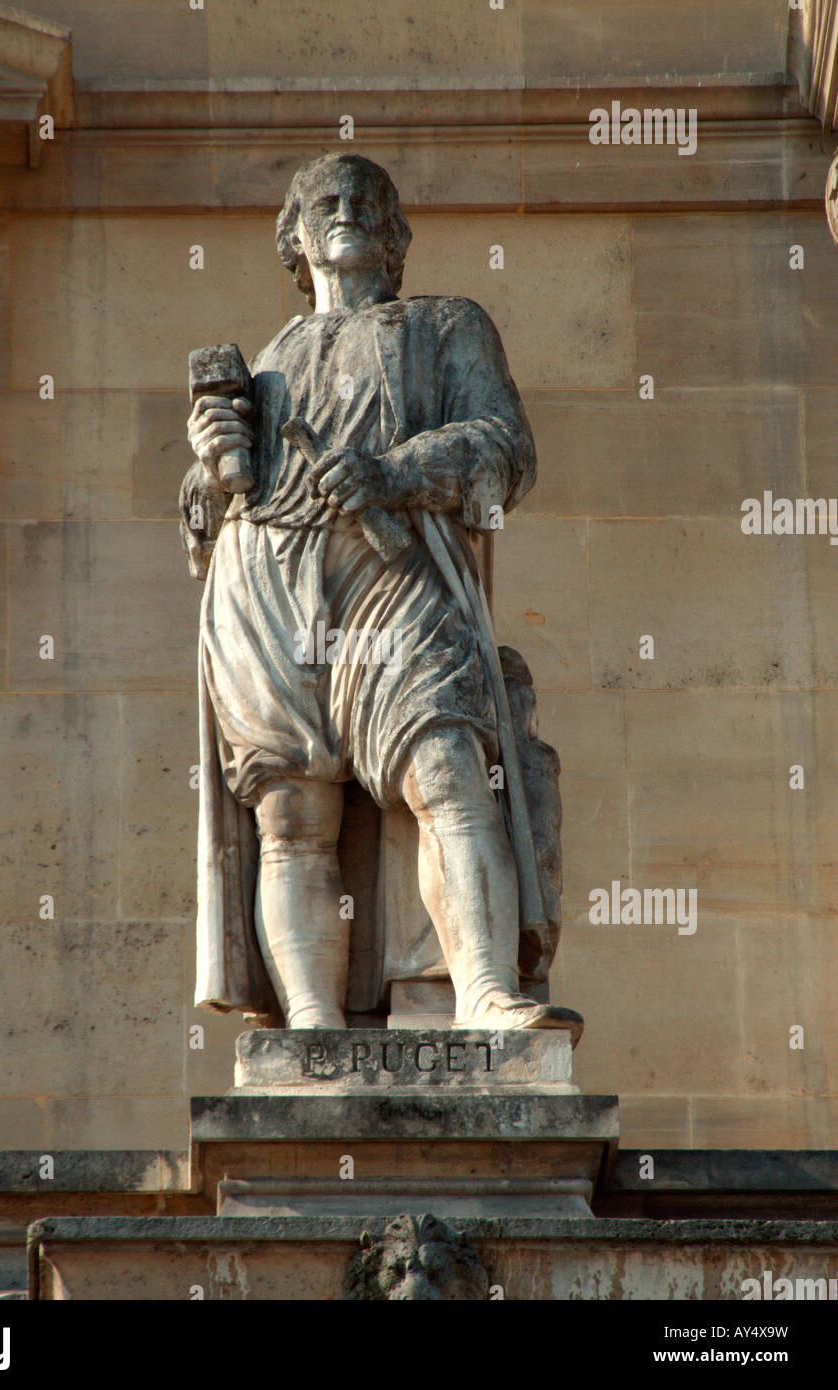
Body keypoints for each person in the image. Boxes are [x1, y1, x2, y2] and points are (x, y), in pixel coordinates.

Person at [181, 152, 582, 1042]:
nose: (348, 208)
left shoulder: (444, 326)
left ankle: (482, 993)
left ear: (398, 236)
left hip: (393, 576)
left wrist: (393, 471)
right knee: (291, 815)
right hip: (267, 586)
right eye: (325, 199)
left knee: (444, 764)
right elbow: (206, 525)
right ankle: (313, 1027)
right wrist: (211, 465)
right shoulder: (268, 364)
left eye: (370, 198)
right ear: (292, 237)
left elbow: (503, 451)